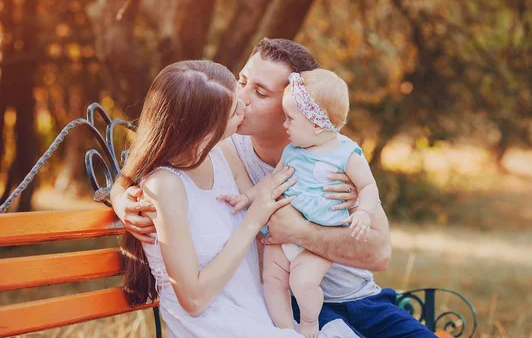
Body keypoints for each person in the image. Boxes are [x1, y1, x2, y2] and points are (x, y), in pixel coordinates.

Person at [112, 38, 435, 338]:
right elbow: (164, 158)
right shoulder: (226, 147)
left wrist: (297, 230)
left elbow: (379, 253)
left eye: (261, 93)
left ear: (295, 103)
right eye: (241, 82)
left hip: (359, 298)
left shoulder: (332, 155)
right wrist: (119, 196)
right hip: (285, 302)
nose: (241, 98)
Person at [116, 60, 357, 338]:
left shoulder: (220, 154)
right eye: (233, 110)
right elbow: (193, 301)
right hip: (212, 327)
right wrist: (252, 221)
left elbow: (276, 194)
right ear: (204, 130)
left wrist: (340, 182)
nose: (243, 105)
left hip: (255, 317)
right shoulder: (165, 185)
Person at [218, 69, 379, 338]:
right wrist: (246, 197)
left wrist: (363, 211)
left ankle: (308, 324)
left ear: (317, 125)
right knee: (272, 281)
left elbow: (368, 186)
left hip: (317, 240)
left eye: (290, 118)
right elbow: (272, 180)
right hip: (281, 239)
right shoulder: (292, 151)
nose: (285, 125)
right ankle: (285, 331)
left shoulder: (346, 153)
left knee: (302, 283)